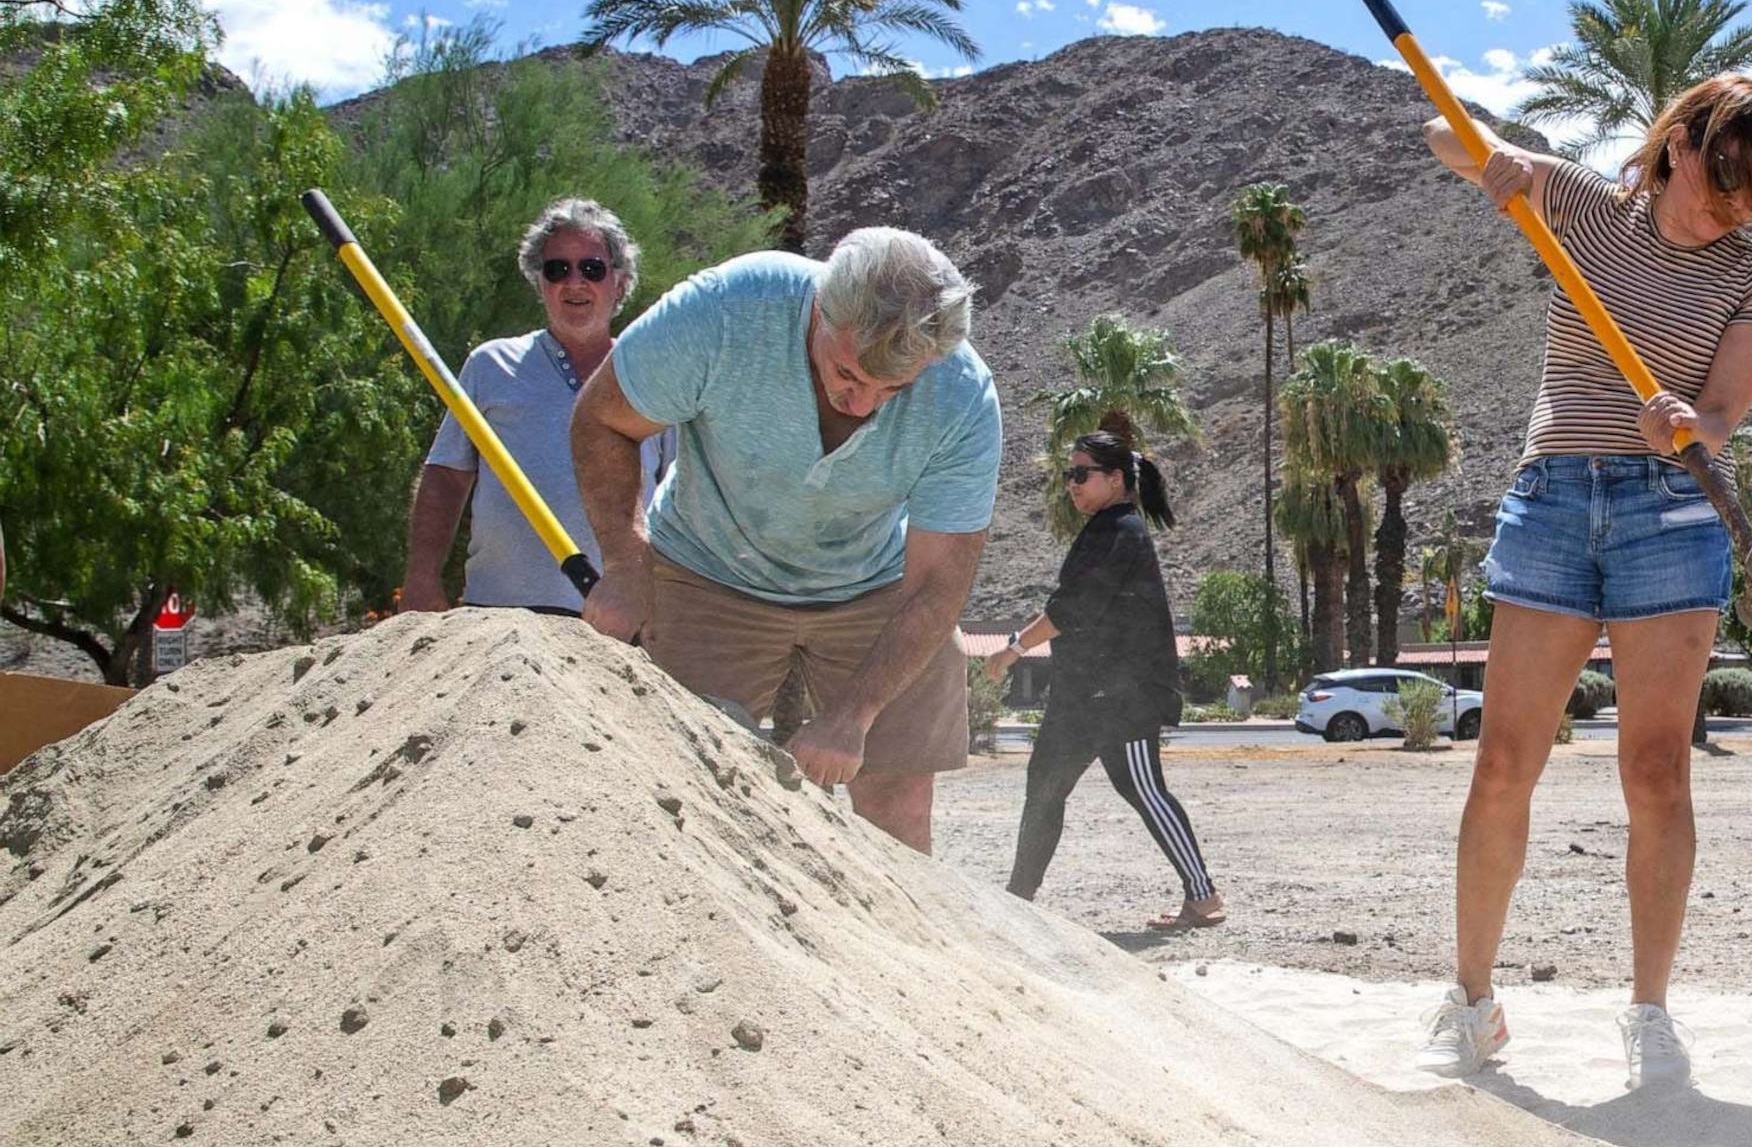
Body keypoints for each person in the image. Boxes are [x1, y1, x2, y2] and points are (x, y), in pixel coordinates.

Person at [1413, 74, 1752, 1091]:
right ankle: (1471, 1001)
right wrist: (1498, 161)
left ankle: (1650, 1012)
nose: (1733, 207)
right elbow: (1442, 132)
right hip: (1553, 501)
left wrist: (1692, 424)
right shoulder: (1578, 205)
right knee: (1506, 759)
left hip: (1671, 512)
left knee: (1656, 770)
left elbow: (1725, 411)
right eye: (1725, 177)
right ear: (1681, 144)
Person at [571, 227, 1001, 854]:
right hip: (703, 567)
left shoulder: (961, 394)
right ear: (820, 311)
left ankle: (880, 954)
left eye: (894, 390)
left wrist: (854, 714)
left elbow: (939, 580)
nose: (862, 404)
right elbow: (603, 419)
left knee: (898, 809)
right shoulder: (727, 311)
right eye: (848, 374)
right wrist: (626, 563)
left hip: (873, 585)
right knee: (668, 799)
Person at [994, 432, 1222, 929]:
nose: (1071, 485)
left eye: (1081, 474)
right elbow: (1069, 607)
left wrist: (1014, 650)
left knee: (1144, 790)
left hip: (1125, 697)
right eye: (1068, 475)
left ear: (1115, 479)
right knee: (1045, 787)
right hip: (1082, 695)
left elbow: (1072, 610)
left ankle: (1203, 899)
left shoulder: (1124, 531)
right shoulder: (1101, 530)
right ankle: (1018, 899)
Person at [401, 199, 664, 617]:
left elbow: (682, 499)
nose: (574, 282)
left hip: (619, 624)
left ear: (620, 281)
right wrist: (421, 577)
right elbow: (446, 476)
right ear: (539, 281)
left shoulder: (653, 379)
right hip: (500, 619)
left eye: (591, 269)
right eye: (557, 269)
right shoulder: (490, 366)